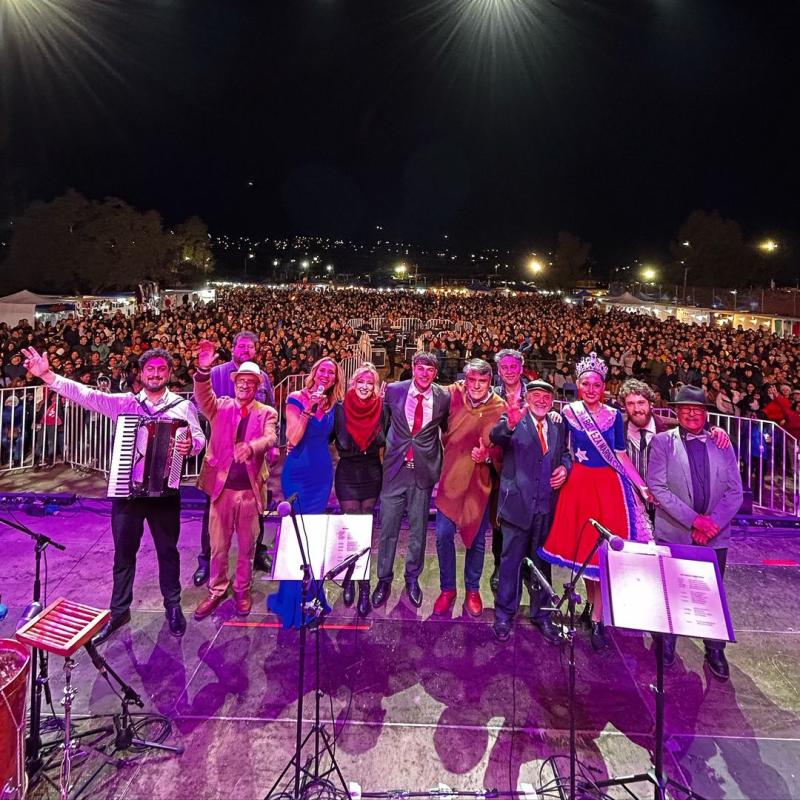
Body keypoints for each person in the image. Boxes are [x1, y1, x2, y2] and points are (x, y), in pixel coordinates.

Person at [21, 345, 205, 644]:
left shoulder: (182, 407)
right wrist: (48, 376)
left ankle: (172, 606)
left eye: (161, 369)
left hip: (165, 493)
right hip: (127, 492)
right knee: (123, 555)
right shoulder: (125, 404)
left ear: (169, 373)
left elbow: (197, 437)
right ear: (142, 374)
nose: (156, 374)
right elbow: (88, 396)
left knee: (168, 552)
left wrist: (191, 447)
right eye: (150, 369)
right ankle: (119, 611)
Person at [540, 352, 651, 651]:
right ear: (578, 385)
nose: (591, 389)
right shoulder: (568, 413)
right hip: (578, 488)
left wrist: (640, 485)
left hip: (607, 488)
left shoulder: (615, 415)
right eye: (586, 383)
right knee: (587, 555)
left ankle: (600, 619)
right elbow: (563, 448)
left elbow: (620, 455)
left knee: (602, 555)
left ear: (604, 387)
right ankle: (592, 607)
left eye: (596, 384)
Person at [647, 385, 744, 681]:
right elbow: (658, 487)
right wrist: (694, 521)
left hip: (715, 536)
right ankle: (667, 642)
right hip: (675, 533)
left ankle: (714, 648)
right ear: (677, 412)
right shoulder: (663, 442)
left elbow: (735, 491)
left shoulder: (721, 443)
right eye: (686, 408)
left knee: (710, 596)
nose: (691, 413)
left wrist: (711, 523)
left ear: (705, 413)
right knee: (670, 591)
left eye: (697, 409)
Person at [192, 344, 278, 620]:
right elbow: (203, 396)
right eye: (241, 381)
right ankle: (217, 589)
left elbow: (271, 438)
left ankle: (242, 589)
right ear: (235, 383)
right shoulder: (221, 407)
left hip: (250, 493)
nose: (244, 385)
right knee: (218, 547)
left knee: (247, 547)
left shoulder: (267, 412)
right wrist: (203, 371)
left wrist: (252, 447)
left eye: (250, 382)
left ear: (257, 386)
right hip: (222, 492)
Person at [490, 380, 570, 643]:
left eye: (546, 396)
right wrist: (511, 423)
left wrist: (565, 468)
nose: (541, 400)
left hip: (546, 508)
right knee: (510, 563)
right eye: (535, 395)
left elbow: (565, 454)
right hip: (516, 506)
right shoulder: (513, 419)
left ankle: (542, 614)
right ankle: (504, 614)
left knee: (541, 566)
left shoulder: (558, 423)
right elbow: (497, 437)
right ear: (527, 397)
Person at [267, 357, 343, 628]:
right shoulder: (296, 398)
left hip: (321, 475)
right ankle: (291, 602)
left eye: (331, 373)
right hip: (298, 475)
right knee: (295, 537)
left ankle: (313, 595)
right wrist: (309, 409)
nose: (326, 375)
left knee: (312, 538)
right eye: (322, 370)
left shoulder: (334, 403)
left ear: (335, 379)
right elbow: (294, 439)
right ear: (314, 373)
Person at [372, 352, 451, 610]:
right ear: (413, 369)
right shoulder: (394, 390)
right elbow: (380, 423)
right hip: (394, 470)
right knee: (388, 530)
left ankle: (412, 578)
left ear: (435, 373)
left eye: (430, 369)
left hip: (423, 470)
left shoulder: (443, 397)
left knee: (418, 531)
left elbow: (449, 428)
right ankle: (383, 579)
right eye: (420, 368)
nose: (425, 373)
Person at [433, 359, 507, 618]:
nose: (476, 386)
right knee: (442, 535)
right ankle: (447, 589)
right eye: (472, 380)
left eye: (483, 381)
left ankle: (472, 590)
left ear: (491, 381)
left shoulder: (500, 407)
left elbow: (507, 450)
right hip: (450, 480)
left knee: (476, 540)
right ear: (465, 379)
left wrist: (487, 457)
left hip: (479, 484)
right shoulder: (451, 395)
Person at [332, 363, 386, 617]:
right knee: (351, 530)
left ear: (375, 386)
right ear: (353, 383)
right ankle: (349, 579)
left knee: (364, 532)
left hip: (372, 472)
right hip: (347, 474)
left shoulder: (382, 408)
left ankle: (364, 585)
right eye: (361, 382)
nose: (365, 387)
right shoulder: (340, 409)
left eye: (370, 383)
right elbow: (323, 435)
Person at [488, 349, 527, 594]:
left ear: (521, 368)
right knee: (499, 521)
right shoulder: (493, 395)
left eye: (514, 367)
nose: (510, 371)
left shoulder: (535, 392)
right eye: (505, 367)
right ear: (499, 371)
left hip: (526, 464)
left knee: (526, 522)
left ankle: (524, 568)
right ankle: (499, 566)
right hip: (500, 465)